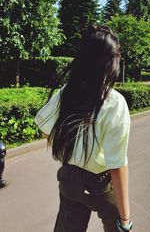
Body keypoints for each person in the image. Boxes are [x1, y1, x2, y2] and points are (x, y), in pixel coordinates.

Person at [34, 25, 133, 232]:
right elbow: (117, 165)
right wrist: (126, 220)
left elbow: (43, 124)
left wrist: (66, 150)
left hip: (70, 179)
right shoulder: (114, 102)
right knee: (117, 226)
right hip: (101, 182)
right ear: (110, 62)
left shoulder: (66, 92)